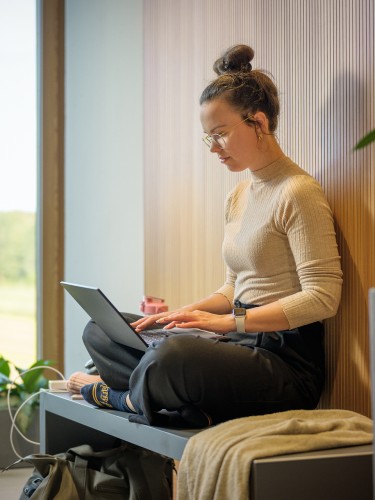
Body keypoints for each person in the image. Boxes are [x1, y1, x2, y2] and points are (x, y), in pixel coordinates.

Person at [71, 44, 343, 428]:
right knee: (103, 330)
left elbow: (323, 298)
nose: (213, 148)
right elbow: (235, 287)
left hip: (282, 363)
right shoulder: (239, 195)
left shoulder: (298, 192)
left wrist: (229, 323)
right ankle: (163, 397)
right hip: (234, 348)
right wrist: (180, 314)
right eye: (207, 138)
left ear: (259, 123)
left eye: (220, 134)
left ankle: (123, 396)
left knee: (173, 357)